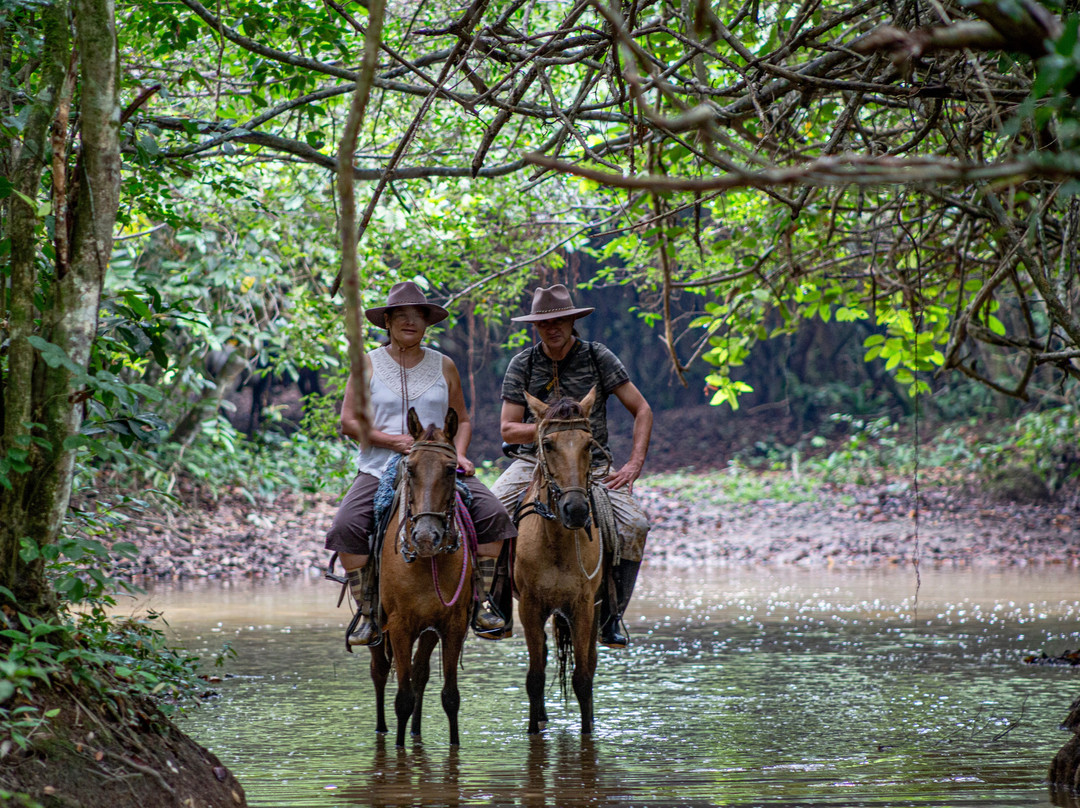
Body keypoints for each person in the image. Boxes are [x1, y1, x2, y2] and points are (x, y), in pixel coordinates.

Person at [325, 281, 515, 646]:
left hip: (440, 464)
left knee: (494, 517)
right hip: (381, 466)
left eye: (418, 316)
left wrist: (458, 453)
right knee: (346, 526)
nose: (410, 321)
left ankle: (482, 601)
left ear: (427, 323)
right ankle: (367, 611)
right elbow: (348, 422)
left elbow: (462, 419)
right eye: (402, 315)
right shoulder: (366, 364)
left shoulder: (444, 365)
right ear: (389, 322)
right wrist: (392, 440)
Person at [492, 284, 652, 648]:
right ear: (536, 327)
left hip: (590, 466)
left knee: (635, 526)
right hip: (532, 462)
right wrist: (554, 432)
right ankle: (497, 606)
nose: (554, 328)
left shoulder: (598, 358)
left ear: (572, 321)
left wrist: (634, 464)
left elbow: (642, 409)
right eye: (546, 322)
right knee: (490, 514)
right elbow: (507, 428)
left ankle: (612, 615)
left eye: (561, 320)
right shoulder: (523, 364)